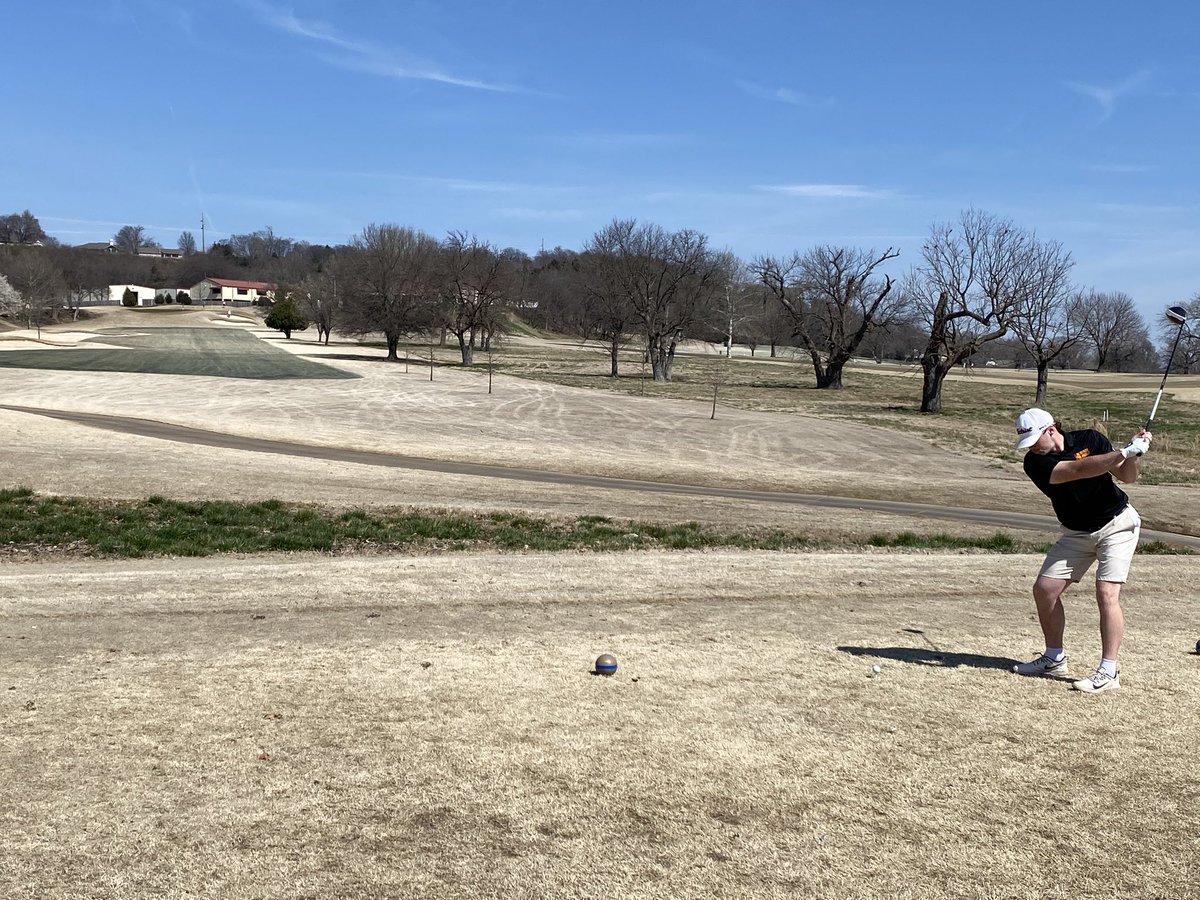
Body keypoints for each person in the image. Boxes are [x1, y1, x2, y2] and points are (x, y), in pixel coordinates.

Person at [1011, 407, 1151, 693]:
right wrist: (1124, 451)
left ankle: (1109, 671)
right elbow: (1076, 470)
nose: (1033, 448)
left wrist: (1136, 454)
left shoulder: (1090, 439)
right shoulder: (1034, 463)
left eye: (1036, 440)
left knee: (1106, 593)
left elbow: (1127, 476)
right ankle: (1054, 657)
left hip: (1118, 524)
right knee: (1044, 589)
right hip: (1076, 532)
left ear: (1052, 429)